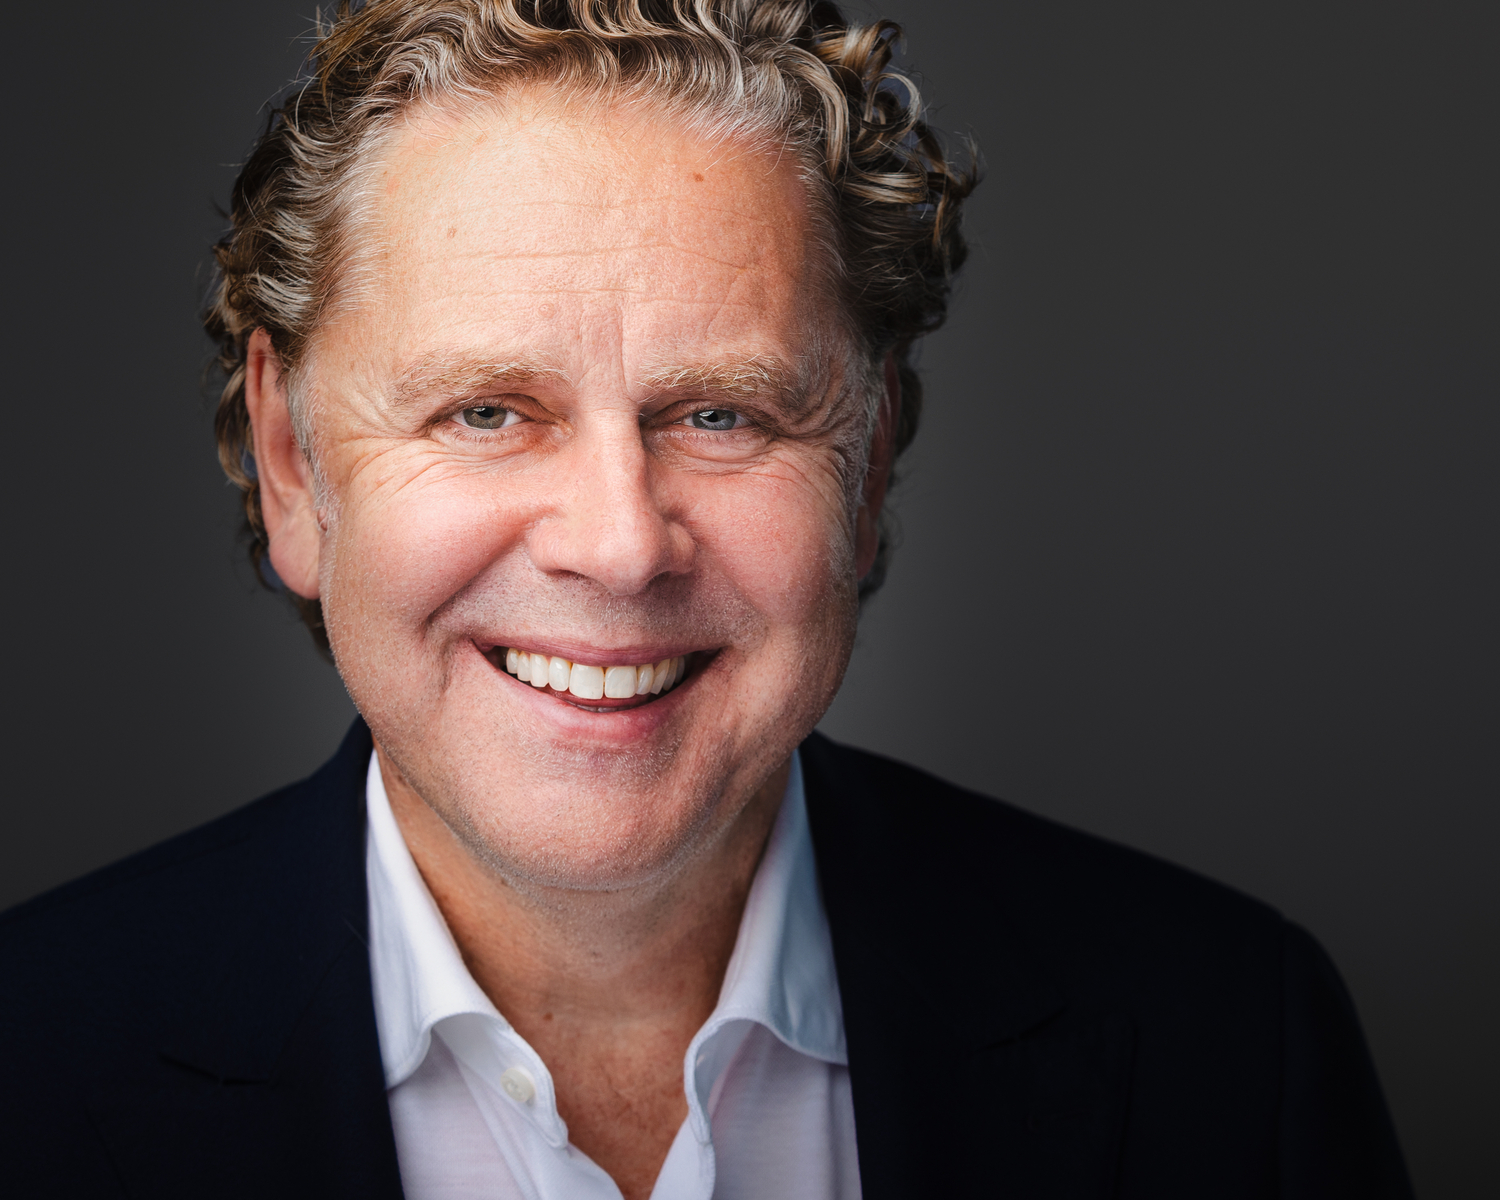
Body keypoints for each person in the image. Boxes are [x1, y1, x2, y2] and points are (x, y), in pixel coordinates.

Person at [0, 2, 1412, 1196]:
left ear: (868, 467)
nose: (620, 547)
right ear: (293, 464)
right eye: (487, 411)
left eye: (724, 414)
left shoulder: (1233, 1048)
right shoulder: (30, 1068)